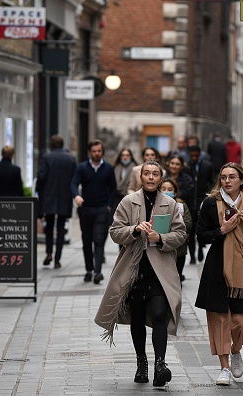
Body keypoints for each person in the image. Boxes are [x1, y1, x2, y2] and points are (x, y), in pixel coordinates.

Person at [94, 161, 187, 388]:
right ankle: (141, 363)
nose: (151, 177)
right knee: (137, 319)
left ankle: (160, 365)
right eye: (147, 173)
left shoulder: (170, 203)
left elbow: (181, 233)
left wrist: (161, 238)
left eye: (155, 174)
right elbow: (115, 232)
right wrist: (135, 230)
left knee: (159, 315)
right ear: (141, 177)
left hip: (160, 270)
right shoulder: (128, 201)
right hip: (135, 269)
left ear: (161, 178)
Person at [194, 162, 243, 386]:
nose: (227, 181)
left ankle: (236, 349)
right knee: (220, 318)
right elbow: (201, 236)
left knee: (241, 320)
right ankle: (225, 367)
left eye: (232, 177)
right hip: (217, 267)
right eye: (224, 177)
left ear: (241, 180)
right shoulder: (210, 204)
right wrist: (222, 231)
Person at [71, 139, 116, 284]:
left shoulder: (108, 168)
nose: (97, 154)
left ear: (102, 152)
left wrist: (109, 205)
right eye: (94, 151)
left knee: (98, 239)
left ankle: (98, 271)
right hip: (86, 209)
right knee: (86, 240)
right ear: (90, 152)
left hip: (102, 209)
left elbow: (113, 188)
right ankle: (88, 270)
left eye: (99, 151)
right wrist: (76, 195)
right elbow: (73, 184)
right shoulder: (82, 167)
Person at [36, 135, 77, 269]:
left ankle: (49, 252)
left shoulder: (46, 157)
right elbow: (74, 180)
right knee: (60, 228)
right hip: (64, 197)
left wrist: (38, 191)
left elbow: (41, 176)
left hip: (49, 197)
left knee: (49, 227)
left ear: (51, 145)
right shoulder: (70, 159)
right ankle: (57, 259)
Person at [183, 145, 214, 264]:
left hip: (202, 200)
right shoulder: (186, 166)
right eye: (192, 156)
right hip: (190, 201)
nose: (194, 158)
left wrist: (209, 195)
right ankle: (192, 256)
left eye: (196, 155)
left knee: (200, 227)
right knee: (190, 229)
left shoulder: (207, 166)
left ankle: (201, 248)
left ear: (199, 154)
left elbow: (212, 182)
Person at [160, 178, 192, 282]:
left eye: (169, 189)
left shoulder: (181, 206)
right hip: (159, 249)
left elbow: (188, 225)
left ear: (175, 192)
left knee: (176, 279)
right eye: (163, 188)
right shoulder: (153, 206)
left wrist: (169, 226)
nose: (166, 191)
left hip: (179, 249)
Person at [165, 154, 194, 224]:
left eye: (177, 164)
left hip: (183, 210)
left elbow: (188, 193)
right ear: (168, 164)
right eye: (172, 163)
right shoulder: (163, 178)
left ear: (181, 166)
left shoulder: (187, 179)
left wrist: (177, 198)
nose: (174, 166)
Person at [113, 148, 137, 212]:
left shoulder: (135, 168)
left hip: (130, 197)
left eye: (127, 155)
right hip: (117, 197)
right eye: (123, 155)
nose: (125, 157)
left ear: (131, 157)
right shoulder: (116, 167)